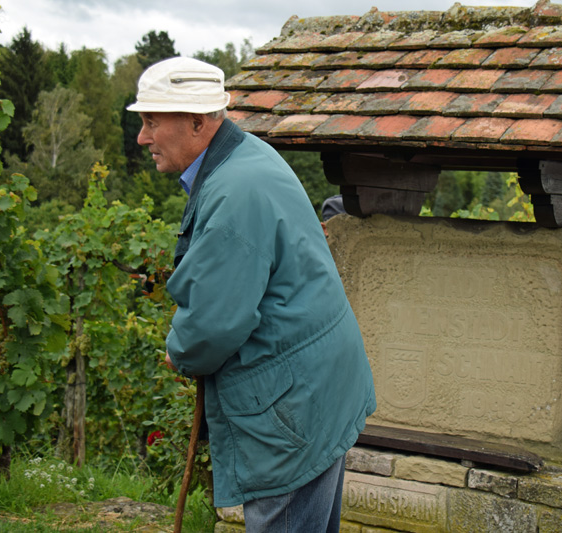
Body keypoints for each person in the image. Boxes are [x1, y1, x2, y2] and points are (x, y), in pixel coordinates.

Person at [127, 57, 376, 532]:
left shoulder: (234, 193)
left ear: (198, 122)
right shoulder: (247, 158)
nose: (143, 137)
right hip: (312, 386)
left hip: (291, 404)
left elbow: (215, 322)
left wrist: (180, 352)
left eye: (151, 121)